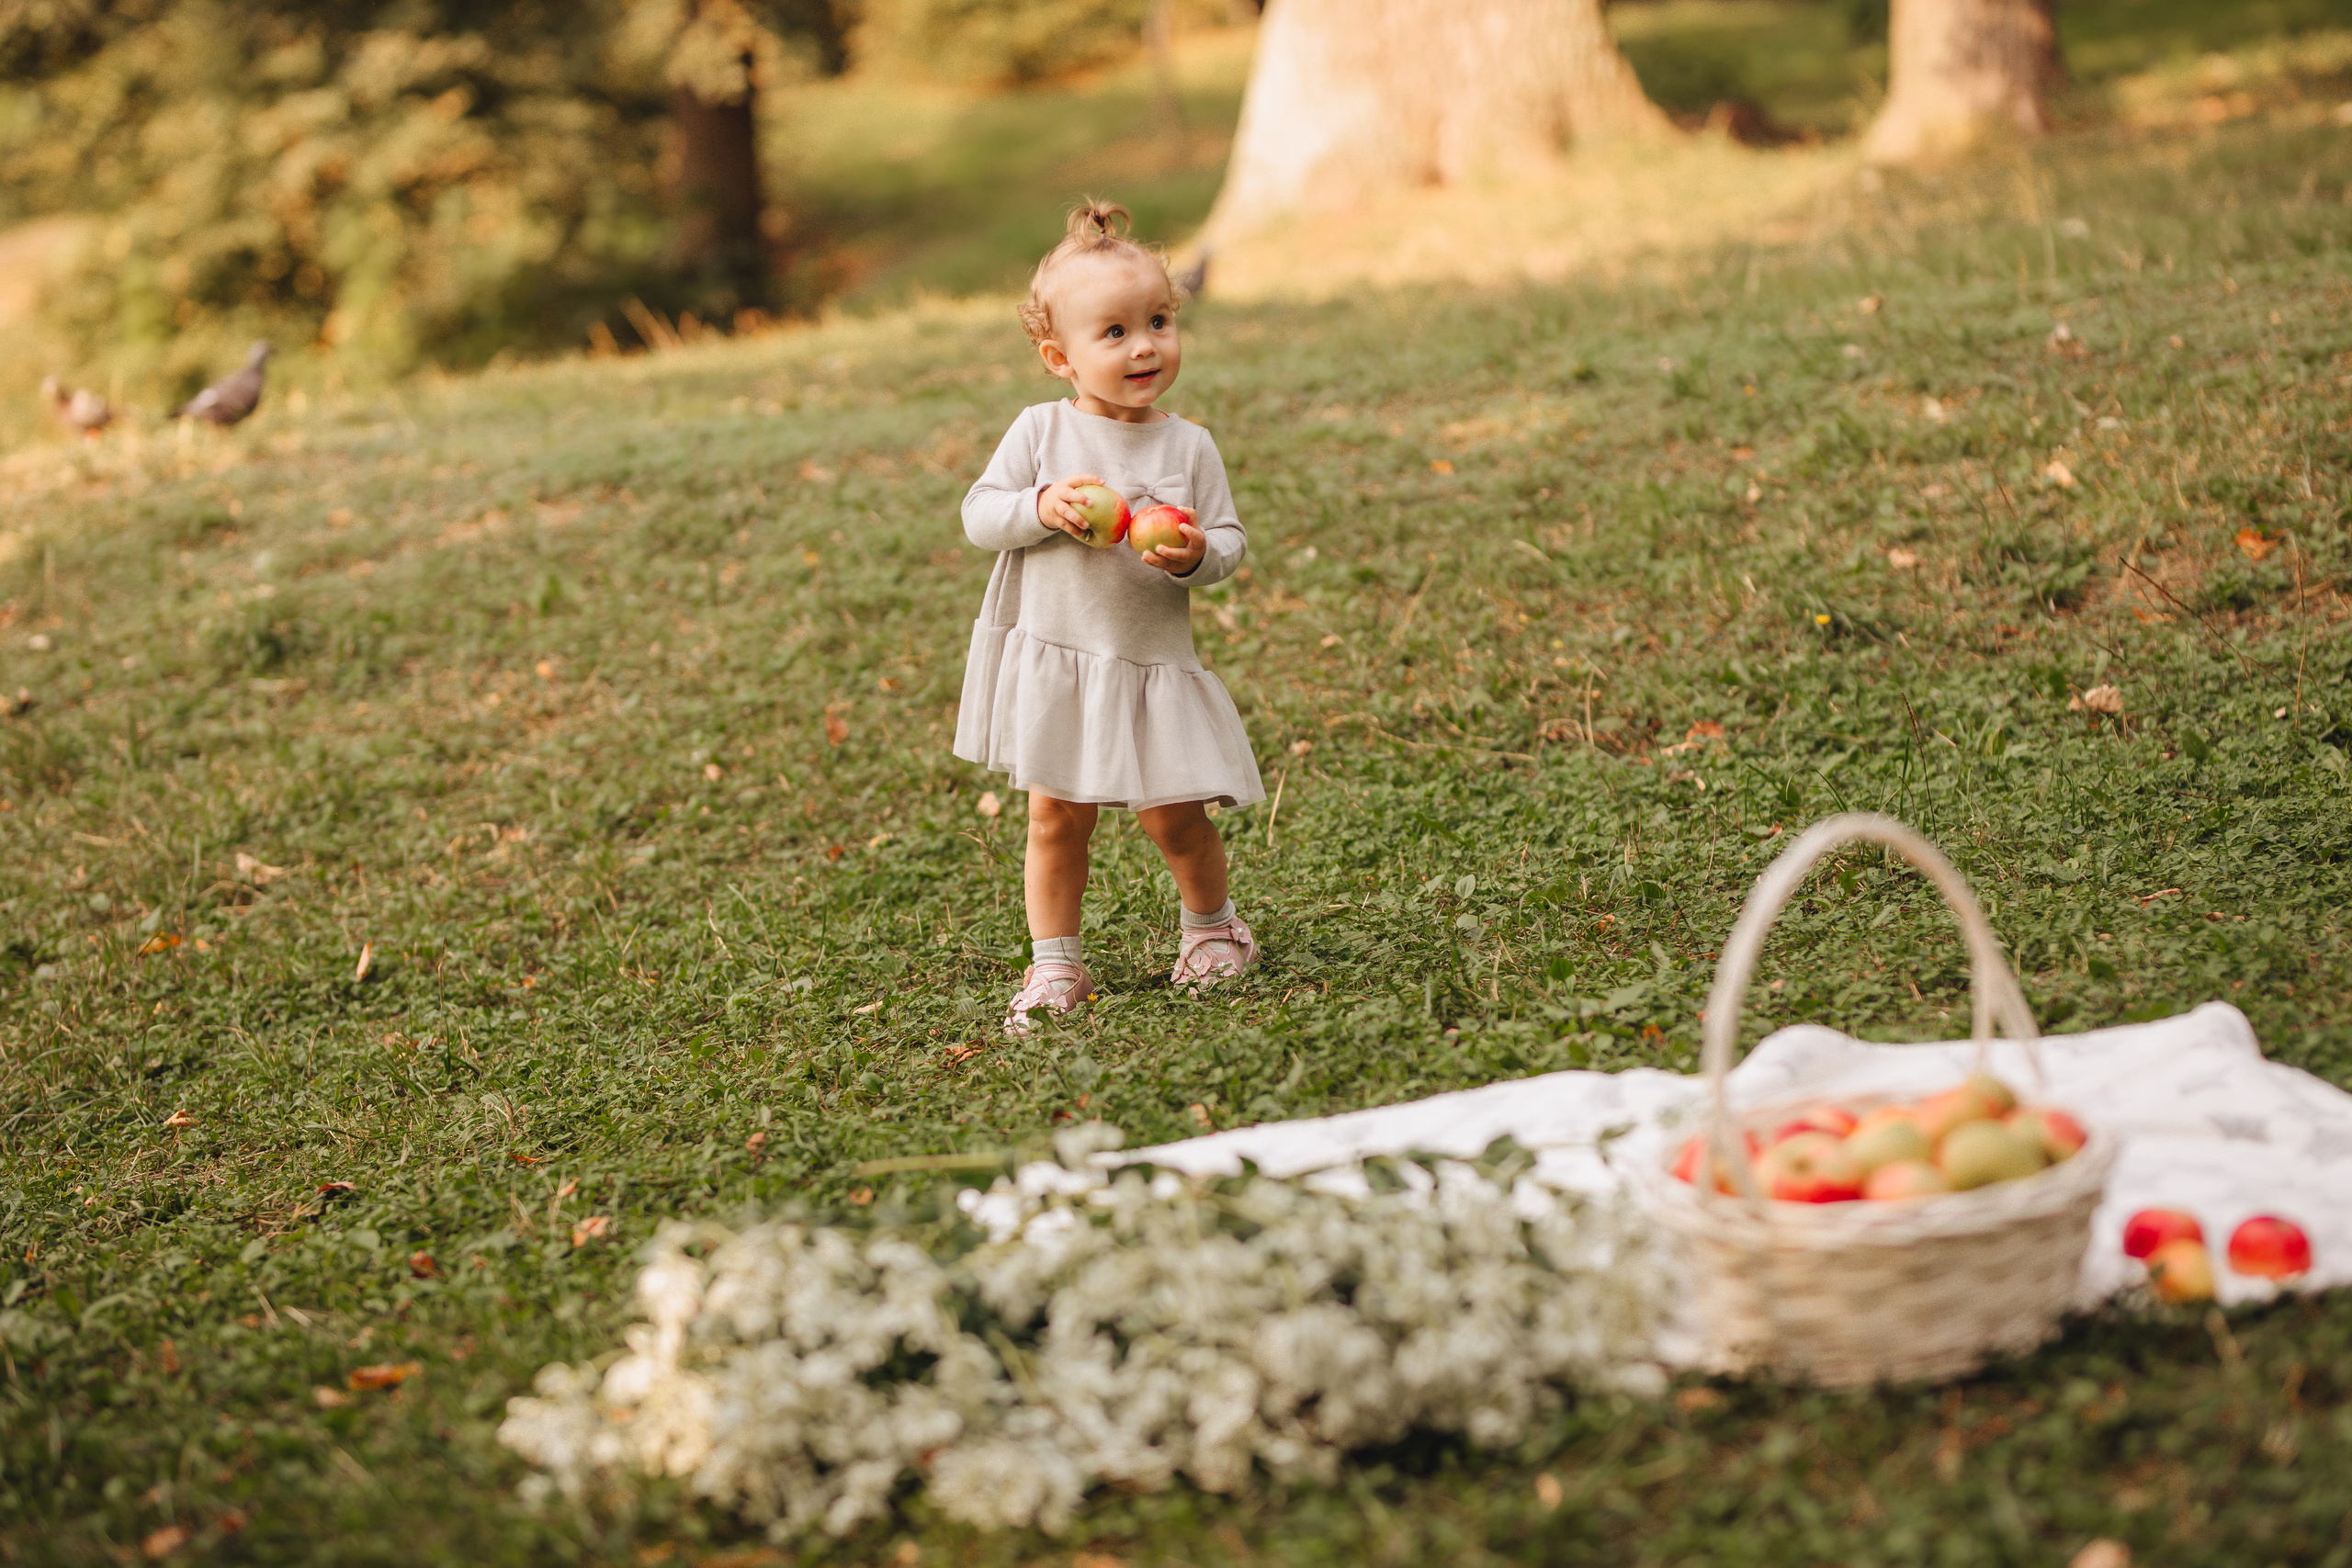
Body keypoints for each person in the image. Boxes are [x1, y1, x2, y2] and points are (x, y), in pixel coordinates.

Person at [955, 199, 1265, 1034]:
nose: (1144, 347)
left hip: (1147, 660)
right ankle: (1056, 961)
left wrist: (1195, 553)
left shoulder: (1188, 445)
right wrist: (1040, 505)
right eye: (1116, 332)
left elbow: (1230, 542)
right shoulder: (1039, 433)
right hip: (1059, 657)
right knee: (1055, 819)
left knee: (1175, 816)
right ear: (1060, 358)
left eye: (1159, 322)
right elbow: (979, 514)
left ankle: (1213, 929)